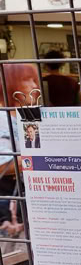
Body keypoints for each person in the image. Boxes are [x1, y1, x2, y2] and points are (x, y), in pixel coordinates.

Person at [0, 63, 39, 238]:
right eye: (26, 80)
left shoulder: (29, 116)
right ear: (8, 83)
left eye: (34, 80)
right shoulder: (2, 118)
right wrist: (43, 160)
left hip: (31, 201)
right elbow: (3, 165)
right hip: (10, 204)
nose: (34, 85)